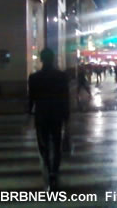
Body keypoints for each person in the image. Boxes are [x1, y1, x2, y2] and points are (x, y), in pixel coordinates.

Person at [28, 48, 70, 191]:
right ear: (53, 59)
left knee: (43, 144)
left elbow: (31, 99)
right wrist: (66, 117)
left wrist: (28, 115)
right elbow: (65, 98)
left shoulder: (34, 78)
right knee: (57, 143)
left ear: (41, 59)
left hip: (41, 115)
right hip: (57, 114)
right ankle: (54, 171)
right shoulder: (61, 77)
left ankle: (47, 165)